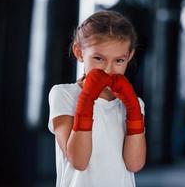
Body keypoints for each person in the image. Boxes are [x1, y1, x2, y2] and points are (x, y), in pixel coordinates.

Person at [48, 10, 146, 187]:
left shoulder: (135, 104)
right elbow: (79, 161)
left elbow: (135, 164)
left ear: (129, 56)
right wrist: (87, 98)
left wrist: (132, 107)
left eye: (119, 61)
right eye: (99, 58)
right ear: (79, 52)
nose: (108, 70)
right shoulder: (64, 94)